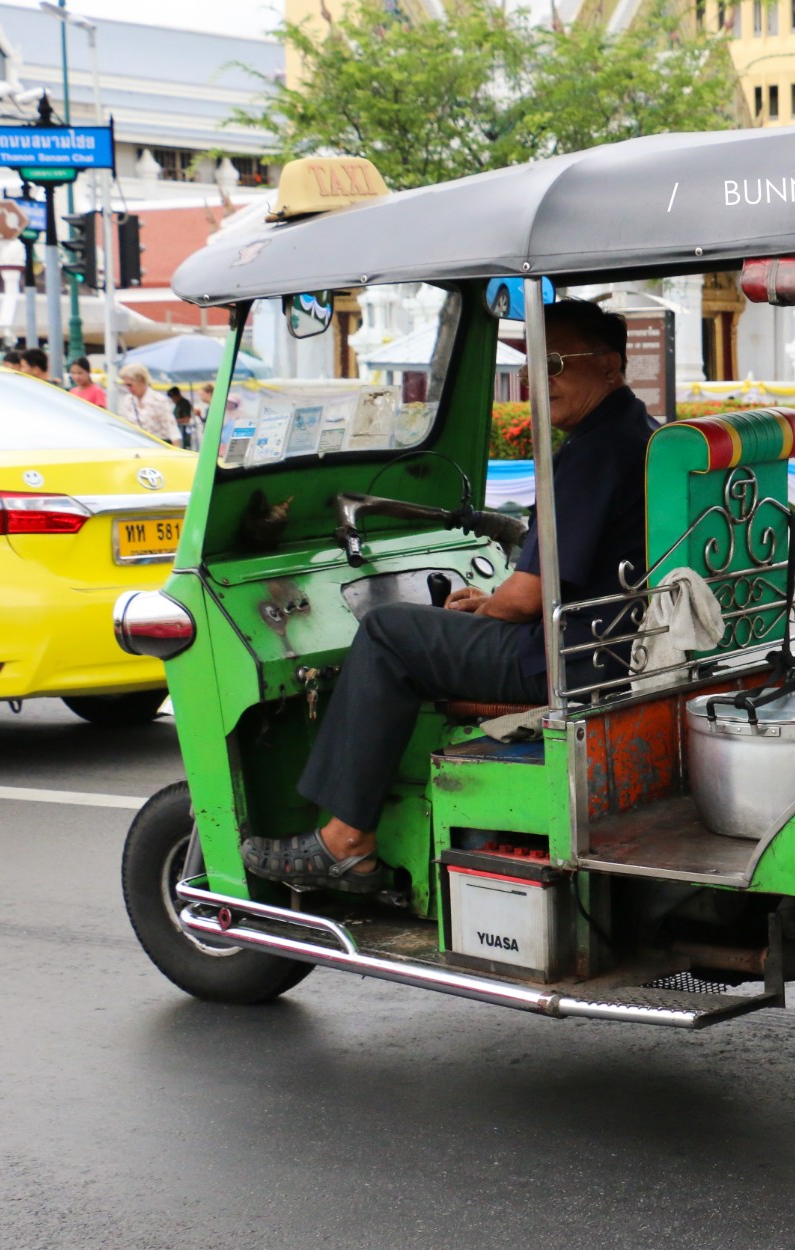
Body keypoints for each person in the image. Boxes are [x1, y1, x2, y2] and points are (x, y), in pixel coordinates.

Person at [241, 299, 655, 894]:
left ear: (611, 366)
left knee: (389, 634)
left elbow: (527, 595)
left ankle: (344, 840)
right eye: (535, 365)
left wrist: (488, 605)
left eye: (558, 362)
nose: (542, 380)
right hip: (611, 643)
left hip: (565, 658)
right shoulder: (638, 432)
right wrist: (494, 602)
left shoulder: (594, 452)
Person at [113, 362, 180, 443]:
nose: (128, 388)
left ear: (141, 381)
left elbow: (172, 431)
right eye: (125, 385)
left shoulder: (159, 400)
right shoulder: (128, 400)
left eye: (130, 385)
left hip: (159, 447)